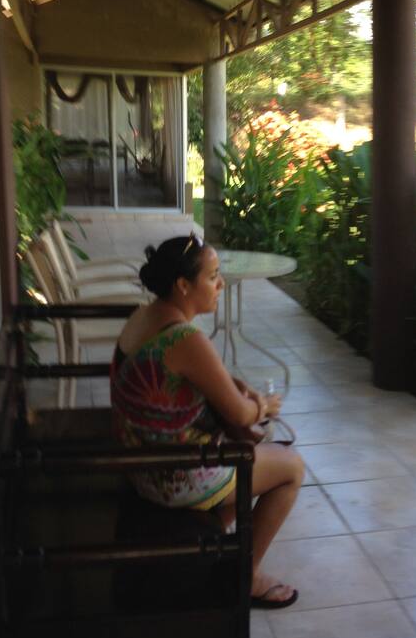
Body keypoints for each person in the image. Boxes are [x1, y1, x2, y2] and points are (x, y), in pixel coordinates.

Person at [110, 232, 303, 609]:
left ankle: (213, 542)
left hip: (141, 466)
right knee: (291, 468)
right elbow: (241, 413)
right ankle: (247, 577)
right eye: (213, 276)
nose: (221, 284)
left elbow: (188, 375)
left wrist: (234, 386)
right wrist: (263, 406)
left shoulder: (146, 315)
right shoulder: (185, 338)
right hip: (173, 477)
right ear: (183, 286)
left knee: (248, 449)